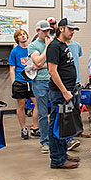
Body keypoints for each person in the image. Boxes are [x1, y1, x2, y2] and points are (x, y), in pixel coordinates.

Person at [46, 18, 81, 169]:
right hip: (60, 93)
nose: (72, 32)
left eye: (73, 30)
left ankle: (62, 153)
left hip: (67, 92)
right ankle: (57, 159)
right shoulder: (54, 46)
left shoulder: (63, 45)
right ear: (61, 29)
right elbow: (52, 71)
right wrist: (64, 91)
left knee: (64, 125)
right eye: (70, 29)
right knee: (56, 125)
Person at [9, 29, 39, 140]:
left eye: (24, 34)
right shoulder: (15, 51)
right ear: (17, 39)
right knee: (21, 104)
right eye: (20, 35)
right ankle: (23, 129)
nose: (23, 37)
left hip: (32, 80)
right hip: (20, 81)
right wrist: (14, 82)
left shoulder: (32, 49)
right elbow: (12, 68)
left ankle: (35, 128)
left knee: (37, 103)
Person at [28, 20, 53, 153]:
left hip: (53, 80)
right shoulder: (33, 46)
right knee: (43, 113)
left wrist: (41, 64)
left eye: (48, 31)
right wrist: (47, 49)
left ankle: (58, 139)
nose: (47, 33)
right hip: (40, 82)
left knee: (57, 112)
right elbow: (37, 61)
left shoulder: (53, 44)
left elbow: (56, 63)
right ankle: (45, 141)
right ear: (38, 31)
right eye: (44, 31)